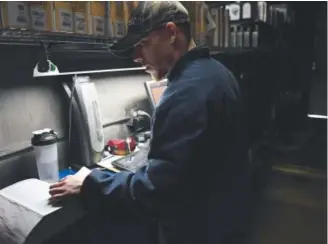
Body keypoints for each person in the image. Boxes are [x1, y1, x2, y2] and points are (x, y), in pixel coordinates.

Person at [49, 2, 251, 244]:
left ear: (172, 33)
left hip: (199, 231)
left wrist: (89, 184)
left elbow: (156, 190)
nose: (136, 57)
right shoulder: (216, 73)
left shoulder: (185, 91)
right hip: (225, 220)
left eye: (142, 45)